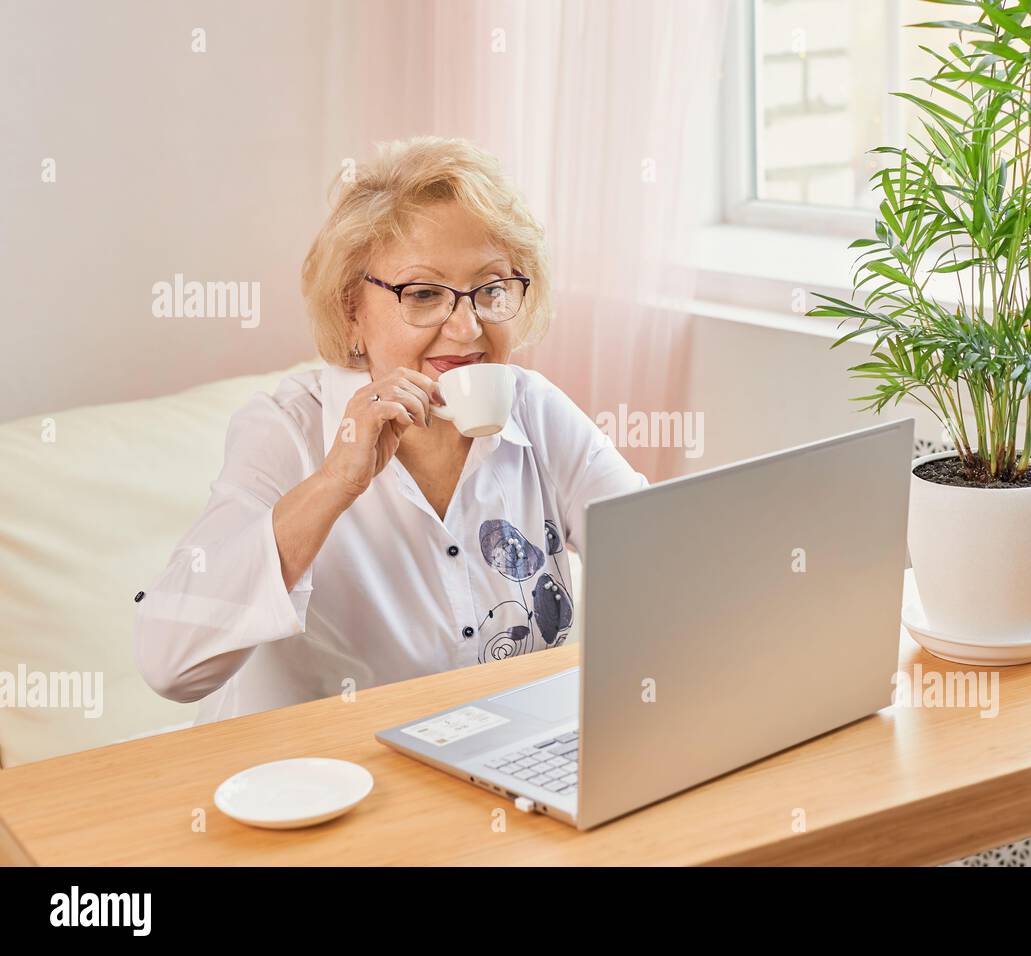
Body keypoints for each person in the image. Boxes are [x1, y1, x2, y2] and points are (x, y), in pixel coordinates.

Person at [134, 136, 647, 724]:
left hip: (489, 779)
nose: (466, 326)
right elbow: (167, 663)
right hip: (315, 788)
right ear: (352, 309)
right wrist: (335, 482)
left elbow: (662, 561)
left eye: (491, 289)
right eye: (424, 294)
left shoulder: (535, 410)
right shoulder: (287, 430)